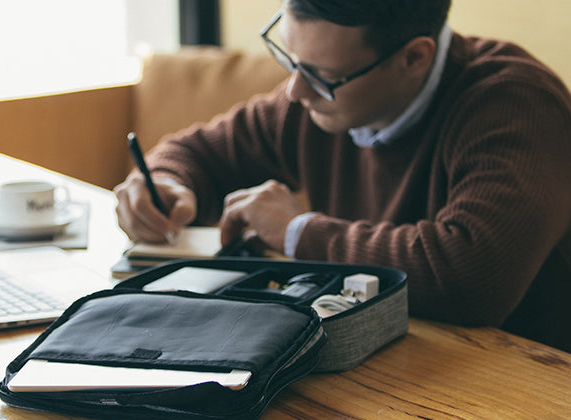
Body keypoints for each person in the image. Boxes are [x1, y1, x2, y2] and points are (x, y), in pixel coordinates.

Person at [114, 0, 571, 353]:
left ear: (414, 57)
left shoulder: (516, 105)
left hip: (522, 390)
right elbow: (198, 152)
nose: (295, 90)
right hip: (390, 358)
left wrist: (298, 230)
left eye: (322, 74)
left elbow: (471, 277)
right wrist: (163, 184)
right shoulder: (321, 101)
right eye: (290, 59)